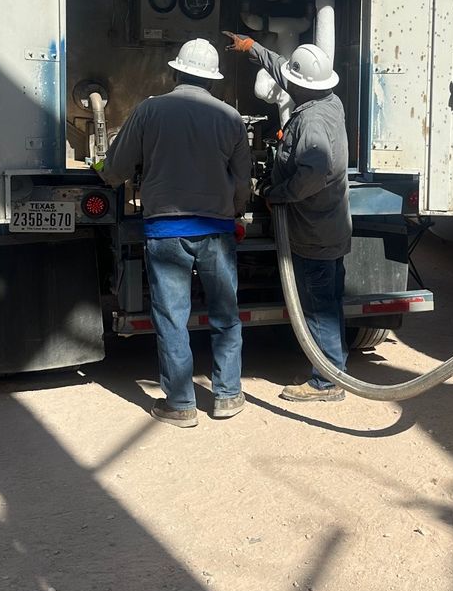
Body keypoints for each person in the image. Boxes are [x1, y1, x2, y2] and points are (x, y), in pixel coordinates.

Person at [101, 38, 250, 427]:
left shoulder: (150, 110)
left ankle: (181, 404)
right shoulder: (231, 118)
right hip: (216, 229)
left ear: (175, 72)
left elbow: (116, 168)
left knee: (171, 317)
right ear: (213, 82)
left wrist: (104, 169)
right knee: (225, 314)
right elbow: (242, 184)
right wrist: (233, 210)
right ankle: (228, 395)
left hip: (165, 229)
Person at [225, 32, 351, 402]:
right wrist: (254, 50)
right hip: (330, 226)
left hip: (312, 230)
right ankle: (335, 369)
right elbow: (285, 71)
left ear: (302, 85)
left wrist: (273, 194)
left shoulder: (311, 123)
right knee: (329, 303)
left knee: (318, 310)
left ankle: (326, 383)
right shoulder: (330, 102)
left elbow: (314, 173)